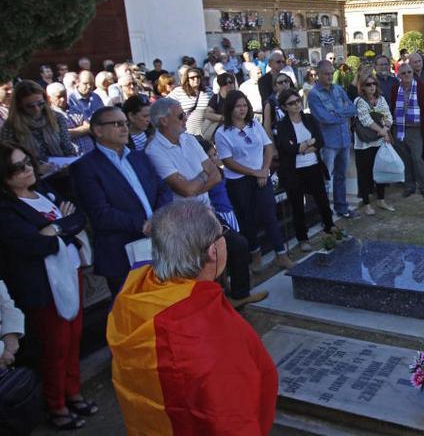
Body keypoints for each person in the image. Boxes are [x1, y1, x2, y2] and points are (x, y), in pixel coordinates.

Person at [107, 200, 278, 436]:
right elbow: (230, 416)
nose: (225, 239)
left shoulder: (133, 294)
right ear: (212, 251)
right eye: (223, 233)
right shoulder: (206, 330)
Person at [0, 142, 94, 430]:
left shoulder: (45, 192)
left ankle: (73, 392)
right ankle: (56, 406)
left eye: (28, 162)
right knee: (55, 347)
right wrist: (61, 227)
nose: (28, 169)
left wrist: (56, 227)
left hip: (70, 275)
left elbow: (77, 217)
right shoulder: (6, 210)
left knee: (74, 338)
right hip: (43, 288)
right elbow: (33, 245)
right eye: (18, 167)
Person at [145, 97, 267, 308]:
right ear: (164, 121)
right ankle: (214, 305)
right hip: (182, 221)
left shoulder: (189, 140)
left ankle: (237, 295)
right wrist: (202, 177)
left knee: (237, 246)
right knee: (203, 265)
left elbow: (216, 175)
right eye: (181, 115)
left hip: (206, 211)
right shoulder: (154, 150)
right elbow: (184, 189)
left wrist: (196, 182)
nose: (186, 119)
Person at [69, 107, 165, 296]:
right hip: (121, 254)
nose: (124, 128)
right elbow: (100, 213)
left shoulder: (139, 157)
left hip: (157, 244)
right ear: (98, 130)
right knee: (132, 314)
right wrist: (143, 225)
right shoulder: (85, 168)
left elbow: (162, 189)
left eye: (125, 123)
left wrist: (159, 218)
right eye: (117, 124)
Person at [214, 91, 294, 271]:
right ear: (230, 108)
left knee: (269, 215)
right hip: (240, 181)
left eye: (244, 105)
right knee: (247, 218)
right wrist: (255, 173)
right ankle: (255, 255)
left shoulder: (254, 125)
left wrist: (264, 170)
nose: (242, 110)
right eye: (238, 106)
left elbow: (267, 147)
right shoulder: (222, 133)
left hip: (261, 176)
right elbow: (228, 162)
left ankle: (281, 254)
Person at [274, 89, 336, 251]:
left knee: (322, 199)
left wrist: (302, 147)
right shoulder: (282, 125)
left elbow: (320, 141)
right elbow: (287, 148)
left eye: (298, 101)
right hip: (294, 171)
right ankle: (303, 238)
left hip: (313, 166)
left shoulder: (309, 118)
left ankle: (330, 227)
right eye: (291, 103)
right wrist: (307, 144)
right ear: (284, 107)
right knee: (297, 206)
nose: (296, 105)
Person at [308, 60, 359, 217]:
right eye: (326, 74)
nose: (330, 76)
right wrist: (341, 113)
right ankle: (324, 214)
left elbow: (353, 109)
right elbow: (324, 118)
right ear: (318, 74)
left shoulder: (338, 89)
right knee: (326, 179)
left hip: (344, 140)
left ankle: (341, 208)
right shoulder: (314, 95)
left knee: (341, 176)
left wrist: (336, 113)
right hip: (328, 143)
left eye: (331, 73)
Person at [0, 81, 77, 171]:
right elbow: (8, 161)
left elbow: (68, 148)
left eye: (40, 104)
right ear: (19, 105)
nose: (36, 109)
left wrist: (70, 162)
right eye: (30, 106)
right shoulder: (11, 127)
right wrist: (36, 169)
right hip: (33, 178)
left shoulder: (56, 118)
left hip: (64, 173)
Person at [389, 63, 424, 199]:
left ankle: (423, 186)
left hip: (415, 129)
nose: (407, 75)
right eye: (404, 73)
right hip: (400, 128)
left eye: (409, 72)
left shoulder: (420, 87)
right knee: (405, 159)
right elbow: (392, 106)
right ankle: (409, 186)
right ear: (399, 76)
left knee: (417, 159)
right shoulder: (395, 88)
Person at [353, 73, 395, 214]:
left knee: (380, 170)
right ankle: (366, 204)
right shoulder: (360, 101)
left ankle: (381, 200)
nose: (372, 87)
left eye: (374, 84)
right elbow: (365, 120)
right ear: (362, 87)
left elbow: (388, 116)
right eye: (368, 84)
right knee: (364, 173)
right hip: (364, 144)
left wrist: (385, 129)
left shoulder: (381, 99)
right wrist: (383, 131)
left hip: (379, 141)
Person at [169, 65, 211, 137]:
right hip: (186, 133)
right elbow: (165, 105)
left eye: (198, 77)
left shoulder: (208, 91)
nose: (196, 79)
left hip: (205, 133)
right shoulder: (179, 91)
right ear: (187, 80)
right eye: (192, 78)